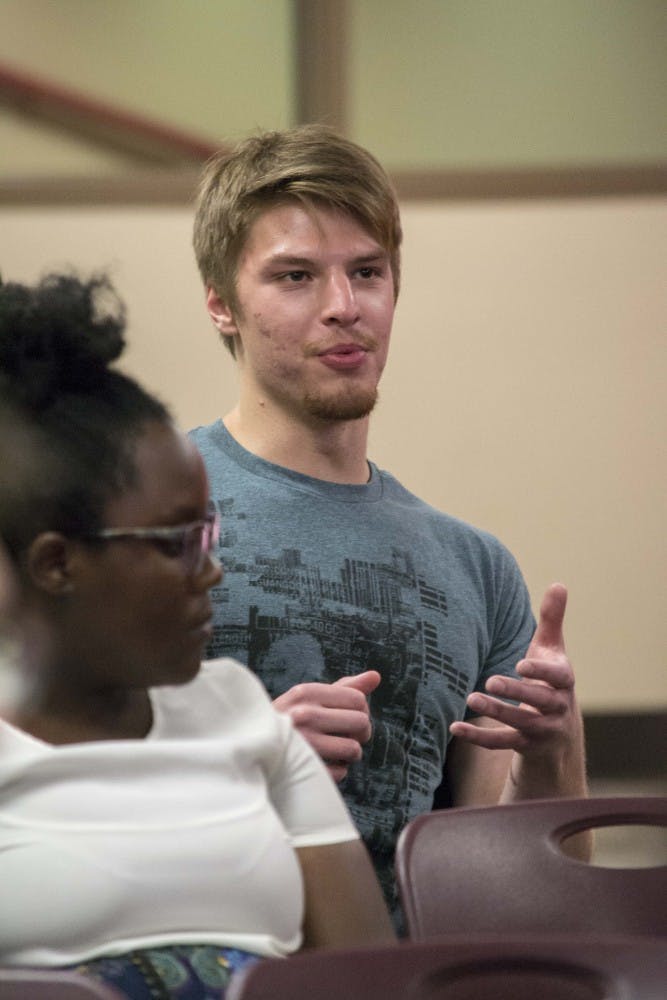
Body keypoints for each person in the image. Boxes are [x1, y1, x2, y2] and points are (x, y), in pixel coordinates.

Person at [190, 124, 590, 926]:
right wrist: (250, 761)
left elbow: (523, 885)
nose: (343, 307)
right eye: (295, 276)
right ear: (221, 306)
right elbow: (42, 792)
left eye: (366, 272)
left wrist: (549, 753)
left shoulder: (473, 566)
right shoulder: (136, 510)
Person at [0, 273, 395, 999]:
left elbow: (368, 979)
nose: (210, 572)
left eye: (207, 534)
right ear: (58, 563)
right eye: (177, 542)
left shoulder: (239, 711)